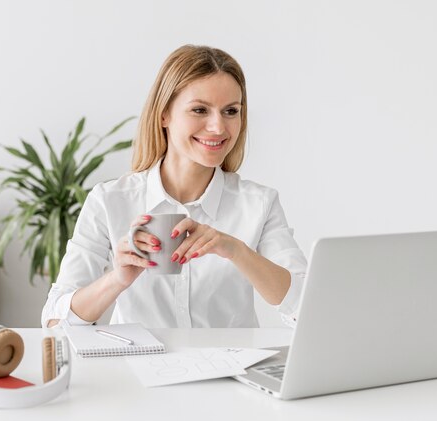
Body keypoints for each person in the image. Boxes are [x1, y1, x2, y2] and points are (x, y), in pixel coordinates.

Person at [42, 45, 307, 329]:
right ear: (164, 114)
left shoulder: (259, 203)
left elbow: (307, 308)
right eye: (200, 110)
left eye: (231, 111)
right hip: (137, 369)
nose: (219, 127)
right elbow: (55, 323)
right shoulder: (110, 200)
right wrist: (117, 279)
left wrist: (236, 250)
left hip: (228, 370)